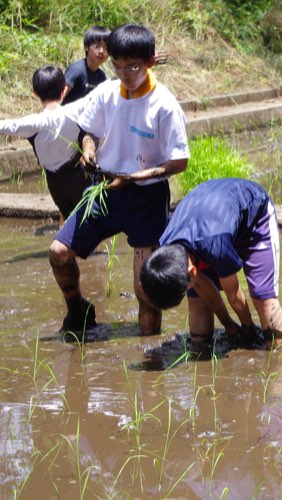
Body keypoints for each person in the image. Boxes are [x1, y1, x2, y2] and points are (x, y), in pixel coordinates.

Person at [49, 24, 189, 338]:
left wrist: (137, 176)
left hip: (146, 197)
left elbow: (179, 161)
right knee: (58, 252)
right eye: (118, 66)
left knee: (145, 287)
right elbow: (89, 131)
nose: (124, 74)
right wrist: (88, 150)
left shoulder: (164, 106)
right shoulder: (107, 92)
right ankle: (77, 310)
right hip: (104, 190)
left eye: (133, 67)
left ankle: (148, 359)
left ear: (151, 61)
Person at [140, 178, 282, 349]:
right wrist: (229, 325)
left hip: (253, 216)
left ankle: (276, 361)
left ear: (191, 272)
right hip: (211, 221)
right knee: (198, 310)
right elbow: (204, 287)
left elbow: (234, 295)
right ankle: (202, 352)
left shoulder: (215, 245)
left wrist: (248, 330)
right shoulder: (166, 246)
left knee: (263, 298)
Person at [0, 65, 91, 225]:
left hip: (54, 181)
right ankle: (90, 250)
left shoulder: (33, 123)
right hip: (78, 175)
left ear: (35, 93)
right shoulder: (75, 110)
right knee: (87, 220)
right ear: (64, 90)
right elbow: (100, 94)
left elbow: (6, 126)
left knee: (66, 217)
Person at [62, 26, 111, 105]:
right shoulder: (76, 70)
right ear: (86, 47)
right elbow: (60, 97)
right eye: (97, 46)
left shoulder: (101, 76)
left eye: (106, 48)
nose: (102, 51)